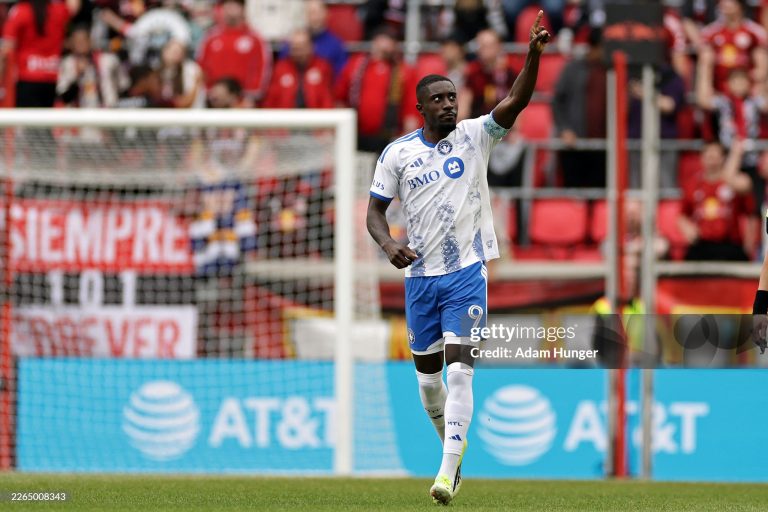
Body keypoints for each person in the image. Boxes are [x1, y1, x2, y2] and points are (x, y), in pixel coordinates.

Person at [365, 11, 550, 505]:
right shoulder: (396, 155)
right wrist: (388, 246)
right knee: (429, 387)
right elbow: (374, 214)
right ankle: (454, 452)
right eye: (439, 99)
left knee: (461, 371)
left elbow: (516, 100)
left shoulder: (476, 135)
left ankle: (446, 473)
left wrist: (531, 55)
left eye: (453, 96)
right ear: (420, 106)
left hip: (467, 271)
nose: (449, 104)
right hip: (420, 279)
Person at [335, 26, 419, 153]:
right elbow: (340, 98)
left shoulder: (404, 71)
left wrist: (407, 141)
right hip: (356, 135)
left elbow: (411, 109)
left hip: (390, 138)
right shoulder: (356, 65)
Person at [678, 140, 756, 261]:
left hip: (730, 244)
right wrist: (688, 228)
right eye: (709, 156)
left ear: (723, 158)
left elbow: (750, 213)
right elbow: (682, 215)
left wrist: (735, 156)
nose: (712, 161)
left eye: (715, 157)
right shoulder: (693, 184)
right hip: (702, 244)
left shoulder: (734, 183)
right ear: (702, 158)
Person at [552, 27, 607, 188]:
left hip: (603, 148)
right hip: (574, 145)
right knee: (574, 196)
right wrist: (564, 129)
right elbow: (557, 101)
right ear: (595, 47)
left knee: (600, 196)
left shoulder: (610, 71)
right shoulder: (573, 69)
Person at [0, 0, 81, 107]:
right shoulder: (58, 10)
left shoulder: (21, 11)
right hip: (50, 78)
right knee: (45, 120)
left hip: (27, 78)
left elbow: (6, 48)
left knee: (26, 120)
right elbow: (74, 5)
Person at [197, 0, 272, 105]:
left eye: (234, 5)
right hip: (213, 100)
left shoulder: (255, 39)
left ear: (243, 9)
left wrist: (250, 96)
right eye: (227, 5)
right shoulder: (211, 37)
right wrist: (209, 91)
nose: (230, 9)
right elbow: (201, 67)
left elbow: (261, 68)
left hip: (242, 101)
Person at [699, 0, 768, 93]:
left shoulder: (755, 33)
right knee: (706, 56)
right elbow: (705, 66)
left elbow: (761, 68)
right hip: (720, 92)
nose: (724, 3)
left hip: (748, 91)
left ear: (740, 5)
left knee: (761, 57)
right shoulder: (710, 33)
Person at [263, 29, 334, 109]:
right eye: (296, 49)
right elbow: (270, 100)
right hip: (286, 118)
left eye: (302, 48)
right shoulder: (280, 68)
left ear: (311, 47)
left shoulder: (323, 67)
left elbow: (328, 98)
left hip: (316, 118)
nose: (299, 53)